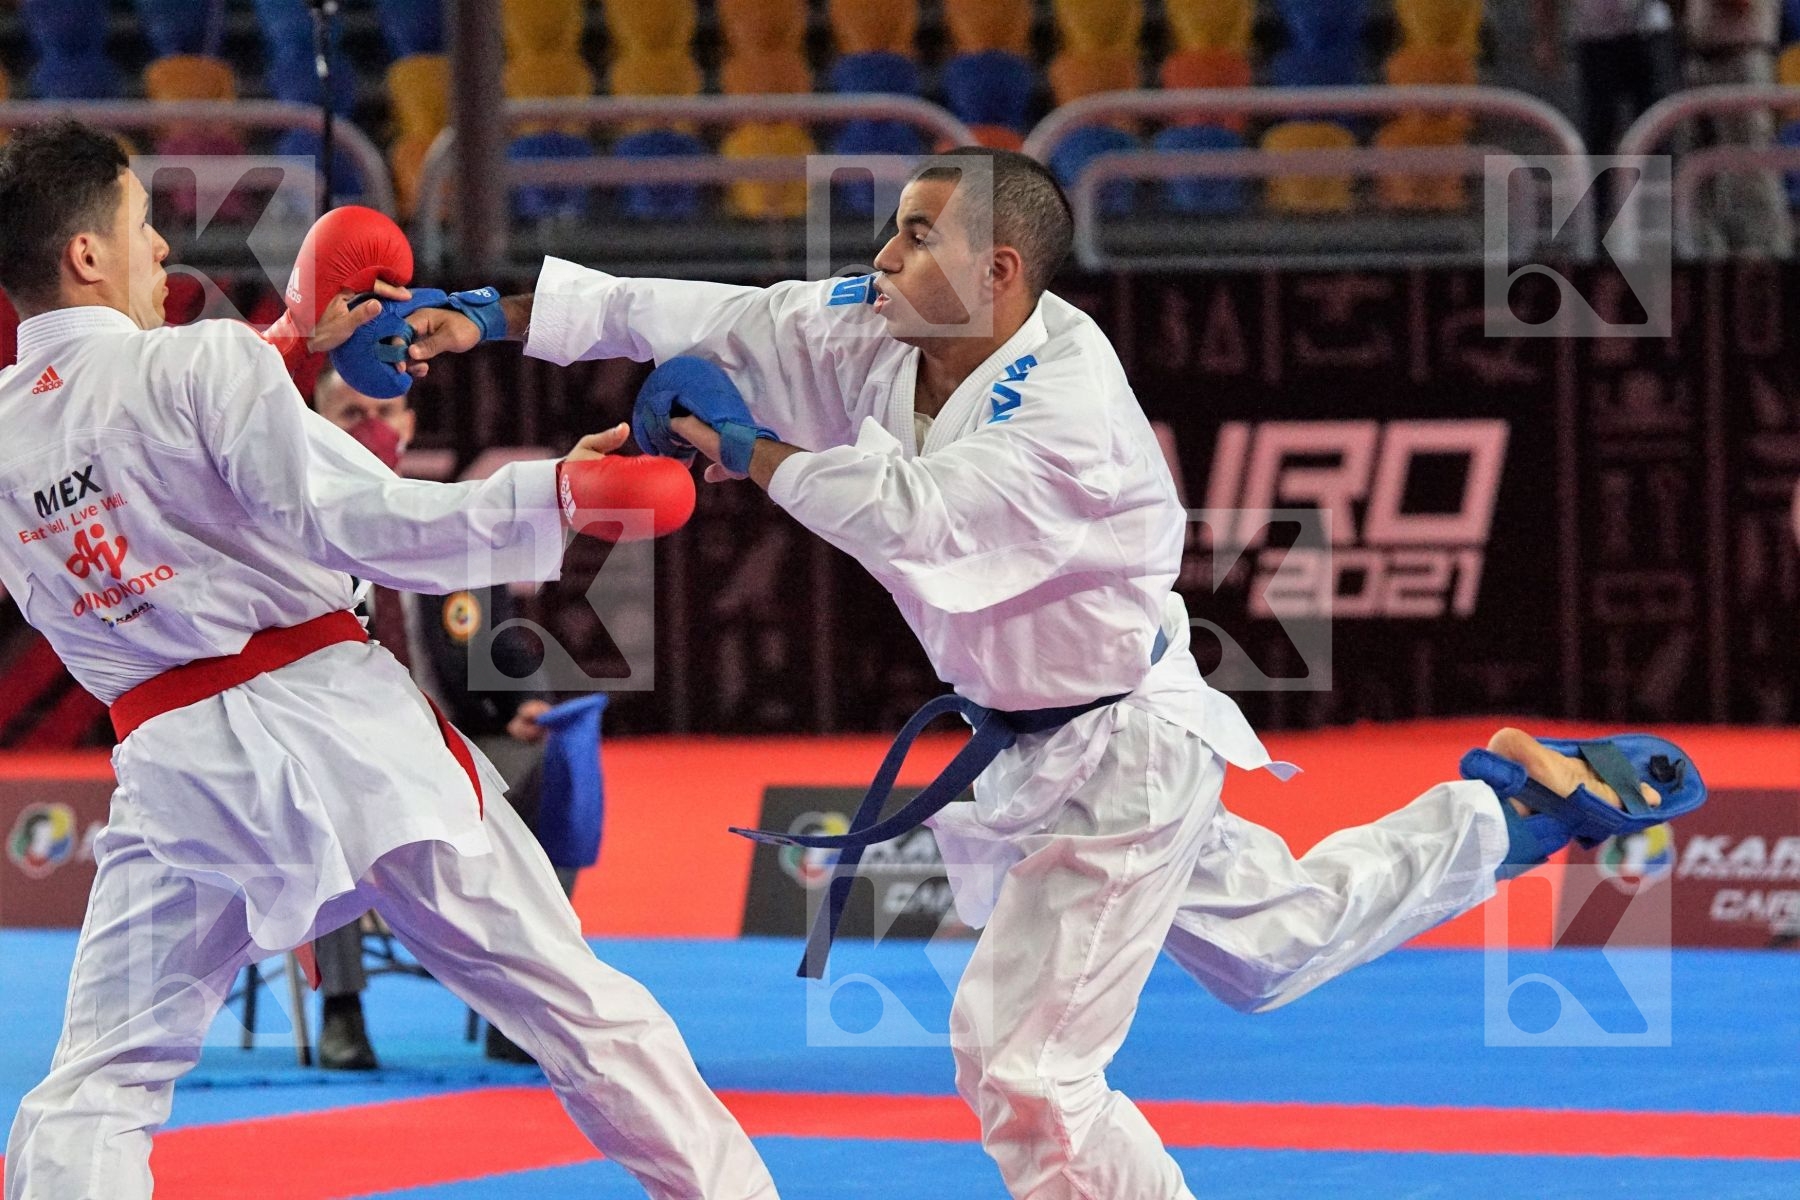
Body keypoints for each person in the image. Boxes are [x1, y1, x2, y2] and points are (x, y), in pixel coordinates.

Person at [409, 146, 1697, 1199]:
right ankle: (1513, 810)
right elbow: (702, 317)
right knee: (1274, 945)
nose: (882, 256)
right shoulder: (888, 328)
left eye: (916, 236)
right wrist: (485, 317)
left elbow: (917, 518)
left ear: (999, 271)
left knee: (1025, 1070)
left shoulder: (1068, 408)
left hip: (1121, 750)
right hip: (1041, 735)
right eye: (892, 229)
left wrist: (747, 452)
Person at [0, 120, 776, 1200]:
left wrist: (288, 344)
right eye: (142, 226)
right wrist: (557, 496)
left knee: (100, 1080)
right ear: (87, 254)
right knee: (576, 1008)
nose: (163, 250)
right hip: (347, 741)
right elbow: (357, 521)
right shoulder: (200, 360)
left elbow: (141, 459)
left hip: (184, 783)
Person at [307, 364, 561, 1069]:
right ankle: (343, 1009)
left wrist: (529, 702)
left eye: (384, 411)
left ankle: (522, 1004)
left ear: (410, 423)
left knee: (552, 771)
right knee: (320, 799)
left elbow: (502, 640)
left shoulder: (449, 519)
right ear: (315, 422)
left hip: (455, 743)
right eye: (350, 413)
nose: (372, 428)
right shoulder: (290, 527)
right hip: (340, 744)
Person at [1680, 0, 1791, 257]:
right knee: (1698, 169)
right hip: (1700, 56)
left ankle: (1768, 254)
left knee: (1750, 163)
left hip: (1743, 57)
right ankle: (1708, 255)